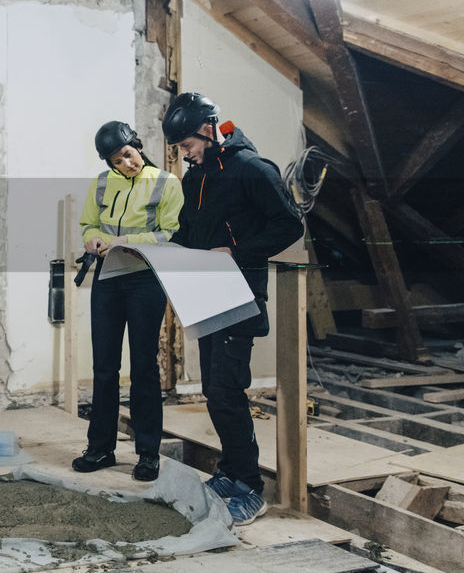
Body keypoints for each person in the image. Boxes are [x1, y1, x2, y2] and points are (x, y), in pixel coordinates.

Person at [161, 93, 303, 525]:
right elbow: (188, 233)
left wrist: (236, 251)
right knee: (216, 392)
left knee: (229, 391)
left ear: (207, 129)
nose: (185, 155)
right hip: (205, 292)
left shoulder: (253, 170)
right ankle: (231, 473)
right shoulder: (195, 178)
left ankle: (250, 488)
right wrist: (156, 252)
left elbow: (289, 223)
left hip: (239, 294)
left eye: (187, 145)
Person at [73, 121, 184, 482]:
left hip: (145, 281)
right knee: (104, 368)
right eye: (117, 161)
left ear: (137, 145)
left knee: (143, 368)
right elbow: (88, 223)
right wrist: (92, 239)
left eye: (128, 154)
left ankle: (148, 453)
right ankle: (100, 448)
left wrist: (126, 242)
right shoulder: (102, 184)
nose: (126, 164)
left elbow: (169, 232)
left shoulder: (167, 183)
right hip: (107, 279)